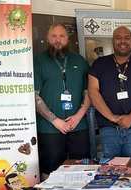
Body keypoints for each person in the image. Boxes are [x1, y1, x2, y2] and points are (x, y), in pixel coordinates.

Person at [34, 23, 91, 180]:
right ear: (47, 38)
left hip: (78, 125)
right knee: (50, 171)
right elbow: (34, 96)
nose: (57, 40)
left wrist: (79, 116)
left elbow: (89, 92)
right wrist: (55, 121)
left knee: (81, 168)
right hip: (49, 128)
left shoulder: (80, 61)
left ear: (68, 38)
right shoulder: (38, 61)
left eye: (61, 36)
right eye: (54, 36)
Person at [88, 26, 131, 158]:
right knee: (109, 171)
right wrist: (113, 117)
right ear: (113, 41)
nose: (122, 41)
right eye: (118, 38)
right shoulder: (99, 64)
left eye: (127, 38)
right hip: (108, 129)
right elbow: (93, 92)